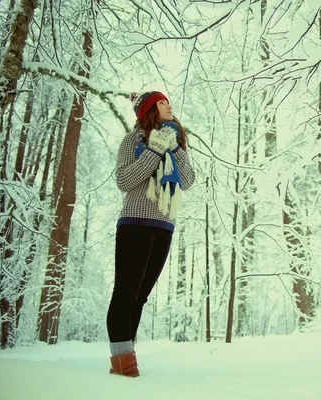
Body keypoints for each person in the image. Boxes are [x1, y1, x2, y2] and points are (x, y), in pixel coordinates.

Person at [106, 91, 195, 377]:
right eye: (162, 102)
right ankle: (122, 363)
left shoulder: (175, 142)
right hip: (135, 222)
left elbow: (189, 181)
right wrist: (155, 151)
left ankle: (127, 353)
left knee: (140, 296)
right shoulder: (133, 141)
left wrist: (174, 149)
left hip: (163, 225)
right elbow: (124, 180)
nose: (169, 105)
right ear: (149, 110)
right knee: (125, 293)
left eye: (169, 101)